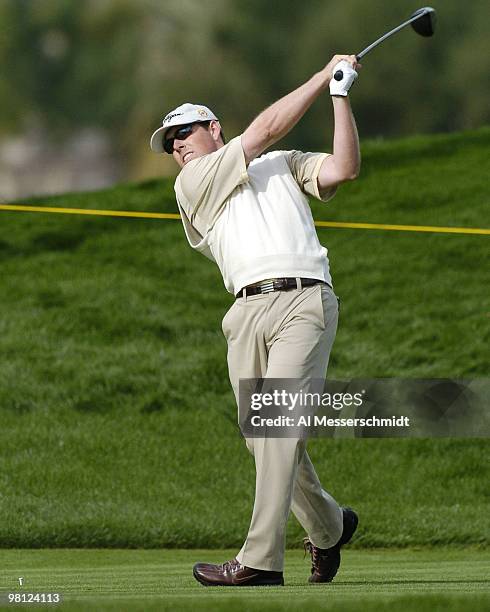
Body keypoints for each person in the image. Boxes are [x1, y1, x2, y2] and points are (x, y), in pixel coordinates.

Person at [150, 55, 361, 587]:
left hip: (304, 302)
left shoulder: (282, 163)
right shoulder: (193, 183)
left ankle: (261, 561)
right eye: (170, 141)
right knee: (261, 436)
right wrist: (321, 75)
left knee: (278, 428)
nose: (176, 145)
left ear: (212, 128)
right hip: (245, 313)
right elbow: (265, 128)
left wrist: (339, 95)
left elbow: (342, 168)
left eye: (184, 133)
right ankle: (330, 527)